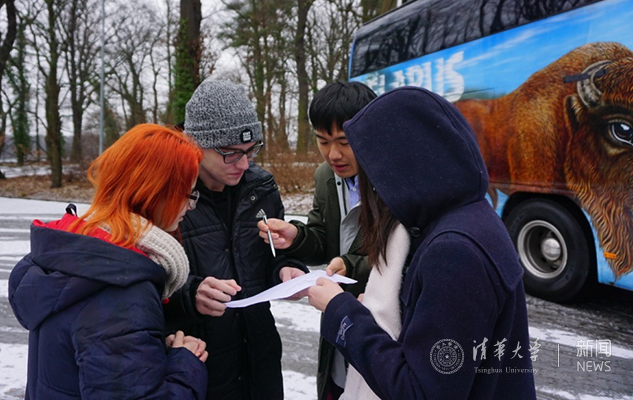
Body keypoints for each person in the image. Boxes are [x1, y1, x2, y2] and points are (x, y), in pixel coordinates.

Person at [307, 86, 537, 399]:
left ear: (402, 162)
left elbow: (419, 390)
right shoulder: (465, 218)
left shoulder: (455, 253)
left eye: (373, 170)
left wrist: (342, 312)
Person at [8, 124, 209, 400]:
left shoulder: (80, 253)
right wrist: (185, 363)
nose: (190, 206)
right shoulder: (121, 287)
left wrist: (150, 350)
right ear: (154, 191)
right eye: (187, 194)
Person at [164, 80, 308, 400]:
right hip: (199, 365)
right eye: (230, 154)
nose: (244, 164)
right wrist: (190, 295)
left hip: (260, 358)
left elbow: (272, 256)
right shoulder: (167, 196)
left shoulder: (261, 187)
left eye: (251, 150)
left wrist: (287, 269)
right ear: (196, 144)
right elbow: (142, 282)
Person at [257, 81, 376, 399]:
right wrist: (296, 236)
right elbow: (324, 239)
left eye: (344, 142)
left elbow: (404, 256)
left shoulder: (392, 180)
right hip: (337, 318)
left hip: (381, 322)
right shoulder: (326, 176)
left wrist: (350, 265)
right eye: (323, 141)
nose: (333, 154)